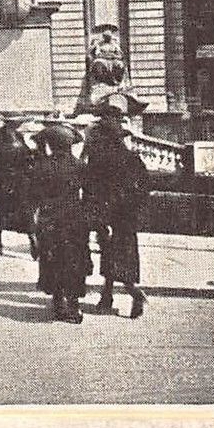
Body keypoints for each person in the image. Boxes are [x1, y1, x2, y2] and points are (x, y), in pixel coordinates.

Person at [83, 103, 150, 318]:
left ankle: (133, 293)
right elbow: (144, 184)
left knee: (110, 252)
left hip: (108, 211)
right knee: (121, 252)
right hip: (126, 213)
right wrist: (135, 207)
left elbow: (91, 184)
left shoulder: (101, 155)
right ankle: (107, 295)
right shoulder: (130, 157)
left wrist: (92, 211)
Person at [30, 122, 91, 323]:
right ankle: (73, 304)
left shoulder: (42, 166)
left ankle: (58, 302)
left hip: (50, 219)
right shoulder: (79, 166)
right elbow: (89, 195)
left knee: (53, 260)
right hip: (74, 220)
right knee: (74, 262)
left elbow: (33, 197)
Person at [0, 115, 33, 256]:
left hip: (19, 178)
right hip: (3, 177)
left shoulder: (19, 136)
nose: (19, 125)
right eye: (17, 122)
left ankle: (32, 238)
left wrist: (31, 155)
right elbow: (2, 153)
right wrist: (21, 154)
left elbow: (25, 152)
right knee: (1, 210)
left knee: (25, 208)